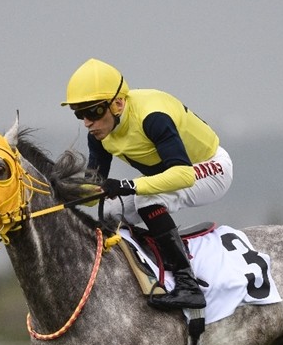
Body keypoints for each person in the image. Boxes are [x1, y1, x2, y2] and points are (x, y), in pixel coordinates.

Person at [61, 58, 233, 311]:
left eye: (93, 111)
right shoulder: (98, 135)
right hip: (171, 175)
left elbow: (184, 176)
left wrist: (127, 185)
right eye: (80, 113)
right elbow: (92, 195)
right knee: (110, 213)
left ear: (118, 104)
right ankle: (142, 272)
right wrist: (56, 189)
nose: (87, 122)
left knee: (146, 199)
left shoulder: (153, 118)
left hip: (211, 169)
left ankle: (188, 284)